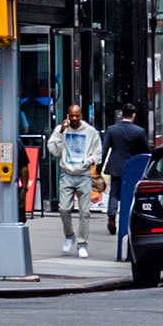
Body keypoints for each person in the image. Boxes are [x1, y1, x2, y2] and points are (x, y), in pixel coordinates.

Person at [100, 102, 149, 261]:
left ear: (121, 114)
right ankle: (129, 220)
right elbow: (146, 151)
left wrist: (100, 166)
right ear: (133, 115)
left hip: (116, 166)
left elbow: (105, 149)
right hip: (132, 168)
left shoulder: (112, 129)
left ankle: (111, 214)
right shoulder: (139, 131)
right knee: (131, 196)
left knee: (114, 193)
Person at [54, 100, 103, 257]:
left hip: (83, 175)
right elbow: (53, 150)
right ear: (67, 116)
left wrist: (89, 161)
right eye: (71, 116)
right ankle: (69, 235)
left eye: (77, 116)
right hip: (66, 174)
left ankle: (82, 243)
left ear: (81, 116)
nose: (74, 119)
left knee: (84, 212)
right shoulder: (61, 130)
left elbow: (98, 154)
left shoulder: (90, 132)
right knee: (64, 208)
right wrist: (61, 133)